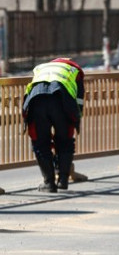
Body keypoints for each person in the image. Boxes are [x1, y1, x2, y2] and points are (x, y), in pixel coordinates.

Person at [22, 58, 85, 192]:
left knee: (40, 142)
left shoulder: (42, 67)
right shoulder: (75, 70)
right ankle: (63, 180)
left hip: (36, 101)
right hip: (61, 102)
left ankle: (49, 183)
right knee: (65, 140)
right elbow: (79, 100)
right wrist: (76, 120)